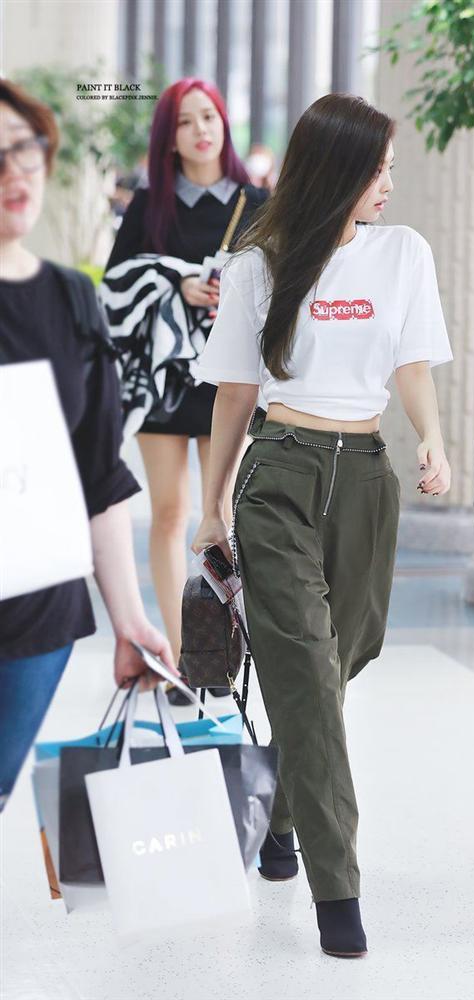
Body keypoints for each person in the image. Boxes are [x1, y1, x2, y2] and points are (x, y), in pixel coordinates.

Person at [191, 93, 453, 957]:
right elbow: (235, 392)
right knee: (305, 666)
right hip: (281, 473)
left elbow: (412, 362)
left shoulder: (403, 253)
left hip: (368, 475)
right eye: (376, 170)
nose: (389, 184)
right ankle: (337, 893)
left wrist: (433, 439)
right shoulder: (257, 265)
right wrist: (210, 507)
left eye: (390, 169)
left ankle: (279, 813)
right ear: (335, 170)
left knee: (344, 658)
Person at [0, 80, 174, 811]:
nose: (13, 171)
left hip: (37, 613)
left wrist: (128, 618)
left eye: (23, 148)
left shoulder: (72, 300)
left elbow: (98, 473)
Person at [101, 79, 268, 700]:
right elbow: (116, 282)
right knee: (169, 513)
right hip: (166, 379)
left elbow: (282, 277)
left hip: (230, 378)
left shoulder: (256, 201)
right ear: (168, 137)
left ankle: (219, 651)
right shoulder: (152, 204)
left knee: (221, 513)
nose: (202, 131)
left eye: (211, 117)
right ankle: (182, 660)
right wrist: (176, 282)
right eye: (186, 121)